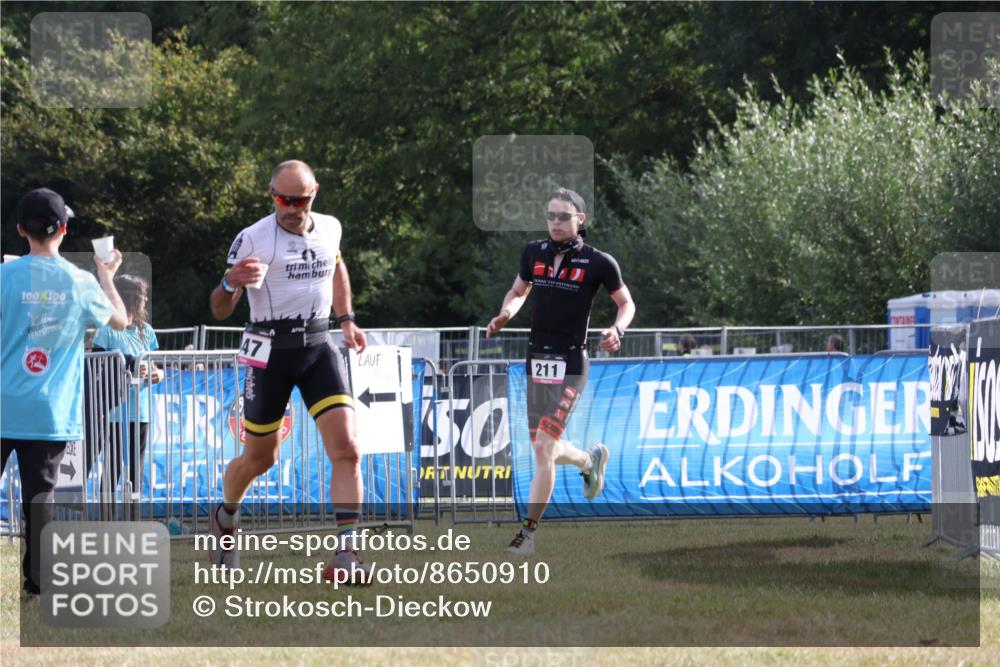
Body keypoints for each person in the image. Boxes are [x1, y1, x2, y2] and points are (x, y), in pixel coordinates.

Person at [209, 160, 370, 583]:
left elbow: (336, 265)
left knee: (348, 449)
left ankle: (346, 555)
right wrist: (231, 283)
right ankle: (225, 515)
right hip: (267, 351)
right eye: (282, 199)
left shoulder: (330, 227)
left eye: (299, 199)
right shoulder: (253, 238)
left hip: (318, 344)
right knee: (261, 457)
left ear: (314, 192)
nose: (291, 208)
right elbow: (219, 310)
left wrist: (347, 317)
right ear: (272, 193)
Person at [486, 187, 636, 555]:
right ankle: (588, 460)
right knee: (544, 450)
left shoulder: (599, 262)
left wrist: (617, 330)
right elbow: (518, 291)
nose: (555, 223)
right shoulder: (532, 252)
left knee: (543, 446)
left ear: (580, 220)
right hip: (536, 359)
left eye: (563, 216)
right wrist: (506, 313)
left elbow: (626, 303)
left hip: (571, 363)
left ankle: (527, 534)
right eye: (550, 215)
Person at [1, 188, 127, 596]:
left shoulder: (5, 276)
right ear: (65, 229)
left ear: (21, 229)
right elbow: (122, 322)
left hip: (3, 404)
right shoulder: (81, 281)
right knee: (40, 504)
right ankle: (36, 585)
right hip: (50, 413)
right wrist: (106, 275)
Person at [89, 275, 163, 500]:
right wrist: (125, 372)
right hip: (114, 413)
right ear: (130, 298)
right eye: (143, 295)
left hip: (140, 412)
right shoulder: (107, 329)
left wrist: (156, 374)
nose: (146, 299)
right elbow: (94, 368)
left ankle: (133, 517)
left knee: (136, 471)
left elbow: (158, 367)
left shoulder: (146, 331)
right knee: (112, 471)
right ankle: (105, 519)